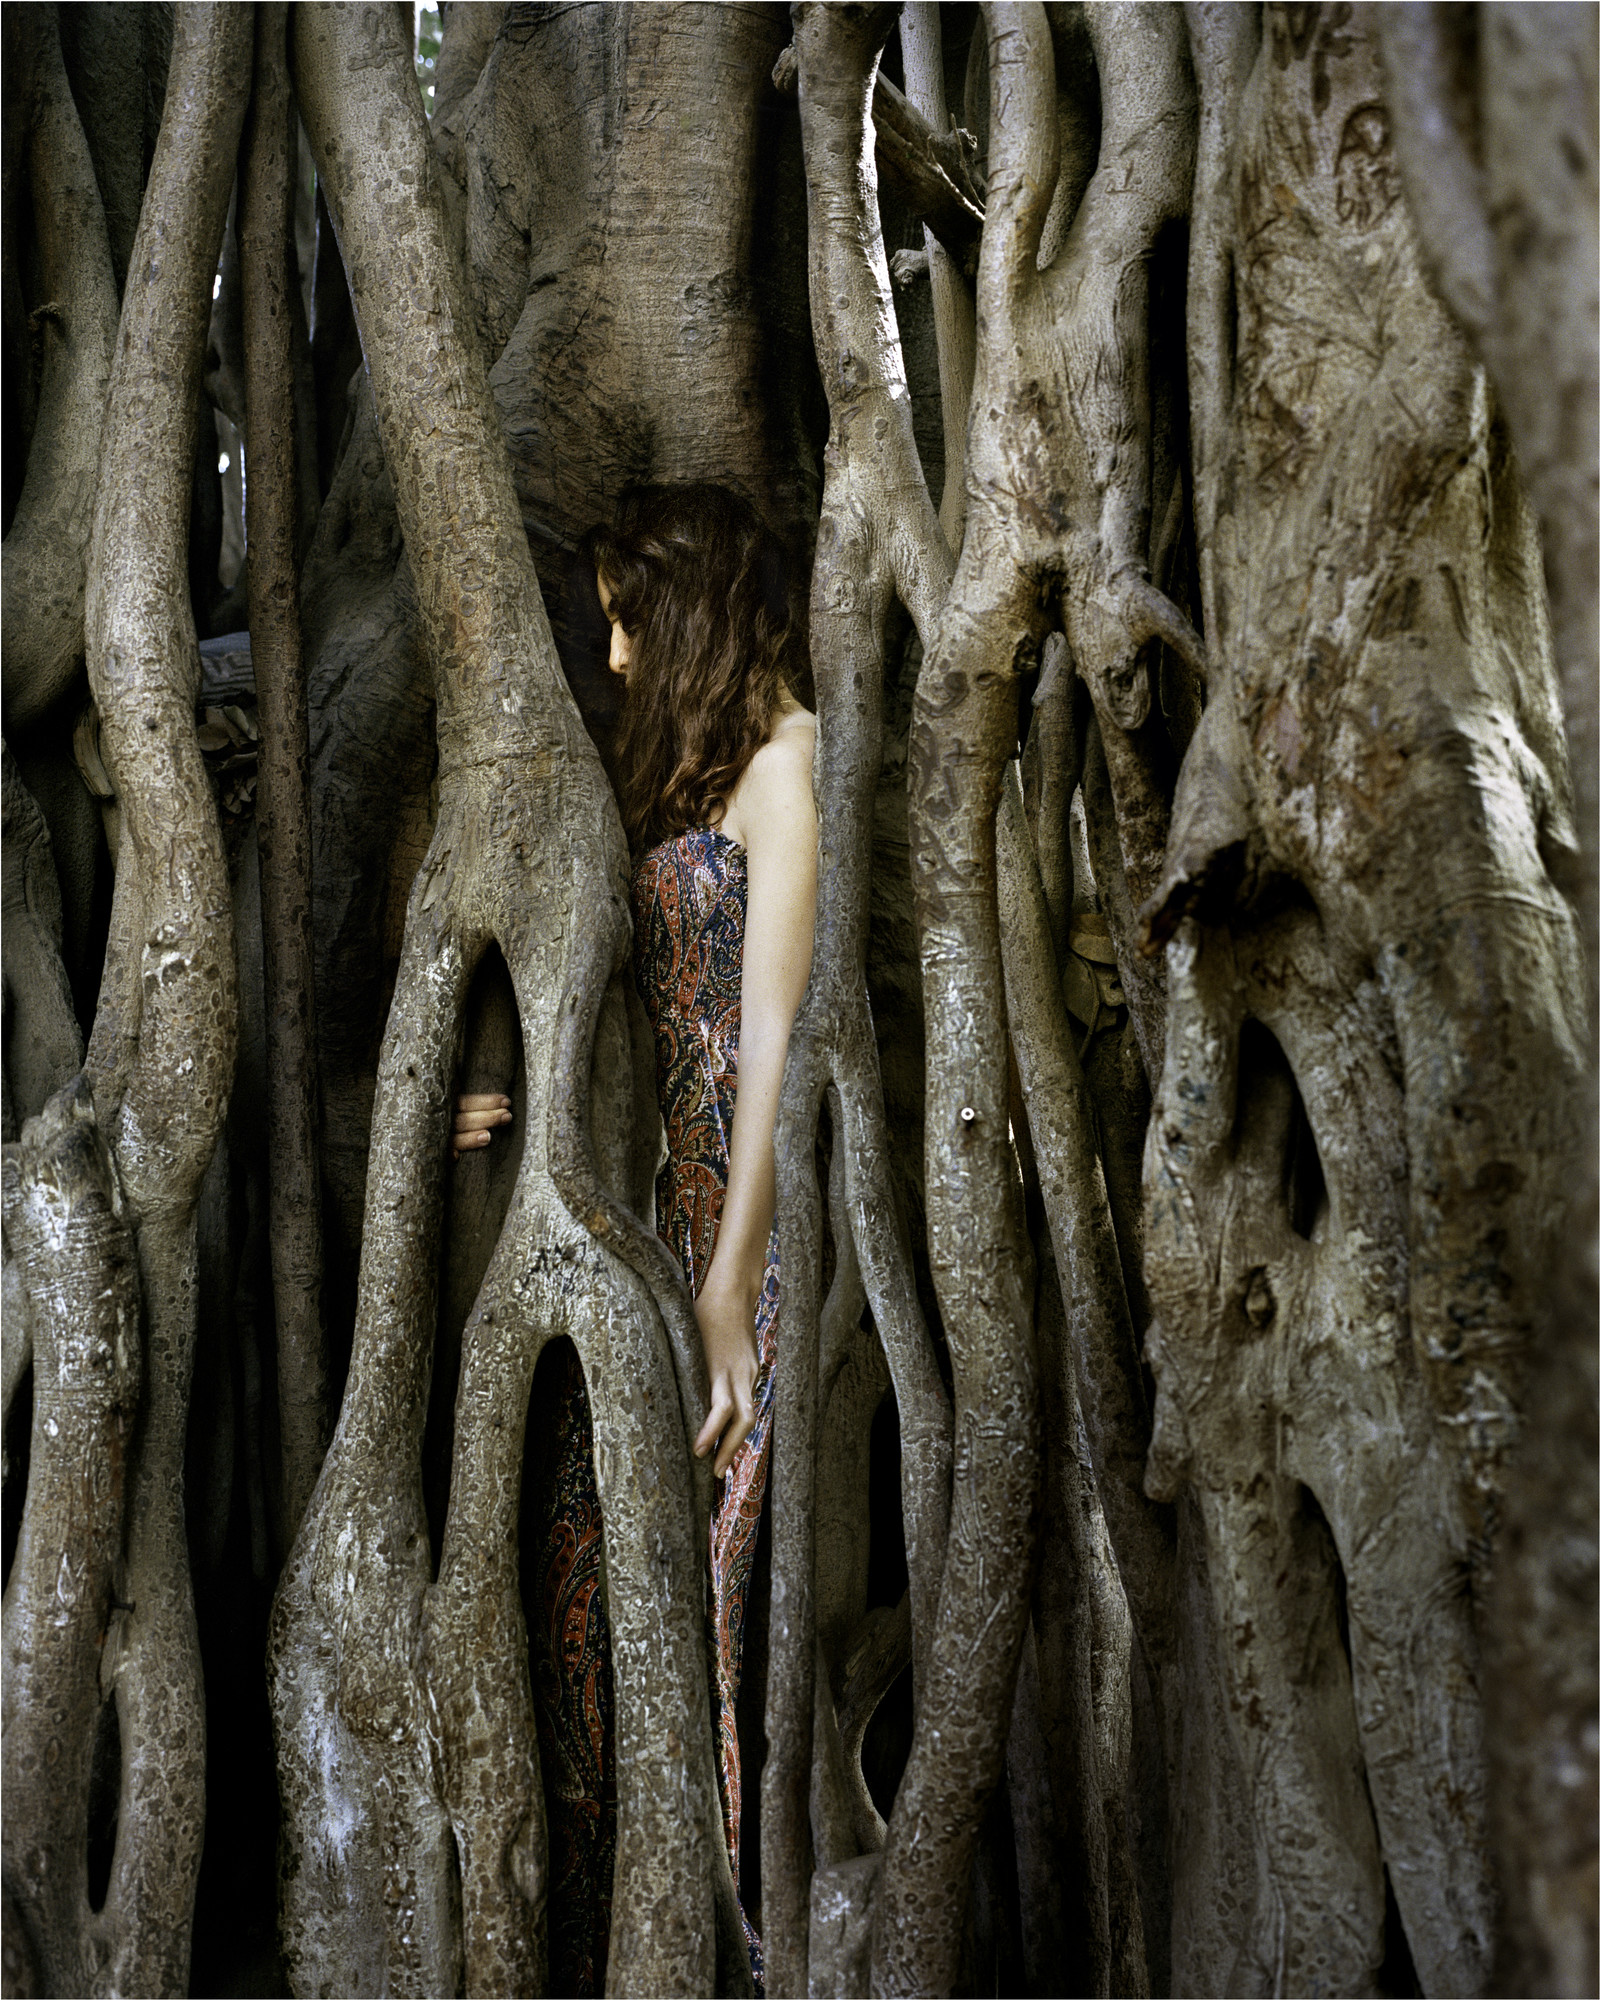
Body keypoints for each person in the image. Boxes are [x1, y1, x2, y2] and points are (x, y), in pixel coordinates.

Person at [453, 483, 817, 1994]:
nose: (608, 654)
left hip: (741, 1241)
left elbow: (776, 1048)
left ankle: (710, 1952)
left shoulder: (792, 767)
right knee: (583, 1579)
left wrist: (732, 1290)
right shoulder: (691, 779)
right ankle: (621, 1933)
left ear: (691, 614)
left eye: (623, 619)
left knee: (694, 1611)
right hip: (651, 1239)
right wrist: (502, 1084)